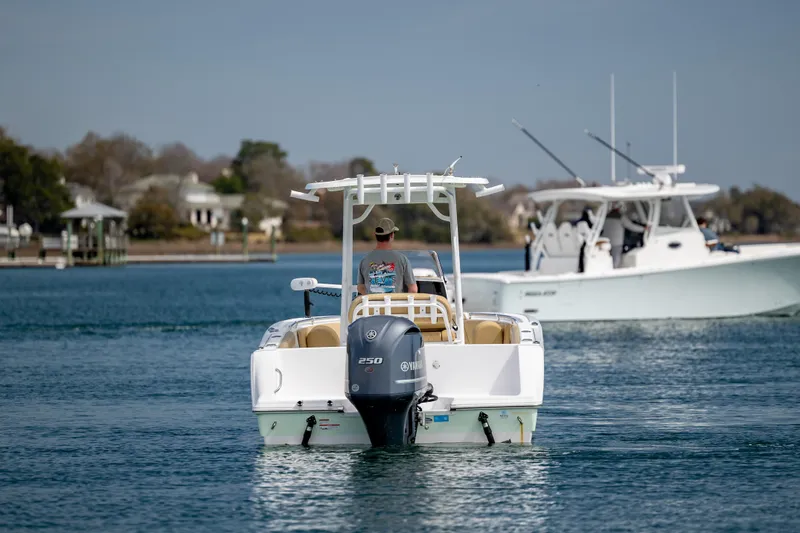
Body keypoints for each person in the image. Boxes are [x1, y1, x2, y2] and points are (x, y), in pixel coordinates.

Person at [357, 218, 418, 295]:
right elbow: (413, 290)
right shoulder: (402, 259)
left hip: (371, 306)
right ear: (392, 235)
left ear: (375, 235)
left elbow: (360, 288)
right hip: (395, 306)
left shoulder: (364, 260)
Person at [602, 203, 646, 268]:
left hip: (606, 241)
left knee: (606, 259)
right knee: (616, 260)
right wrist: (643, 229)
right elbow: (631, 226)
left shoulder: (605, 216)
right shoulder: (621, 217)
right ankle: (615, 271)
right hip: (617, 242)